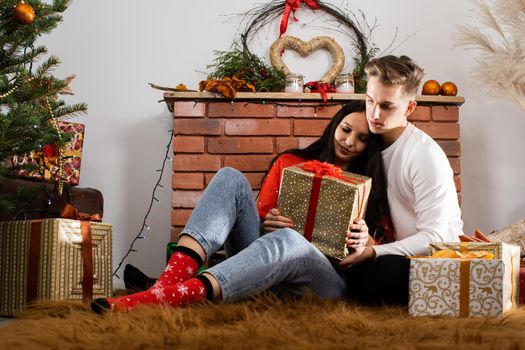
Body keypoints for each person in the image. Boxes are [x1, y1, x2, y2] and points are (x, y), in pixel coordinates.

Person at [91, 100, 392, 313]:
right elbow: (257, 226)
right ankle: (165, 289)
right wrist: (267, 222)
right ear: (333, 127)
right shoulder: (291, 163)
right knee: (230, 177)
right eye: (345, 130)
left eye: (362, 138)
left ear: (370, 145)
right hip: (263, 268)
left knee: (290, 240)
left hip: (322, 282)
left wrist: (366, 242)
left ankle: (173, 292)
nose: (350, 141)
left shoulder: (371, 185)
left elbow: (385, 252)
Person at [339, 55, 464, 304]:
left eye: (387, 106)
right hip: (388, 251)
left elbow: (435, 238)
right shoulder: (370, 143)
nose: (374, 113)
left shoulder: (424, 155)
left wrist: (372, 252)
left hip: (433, 261)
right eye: (370, 101)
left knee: (383, 272)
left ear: (409, 108)